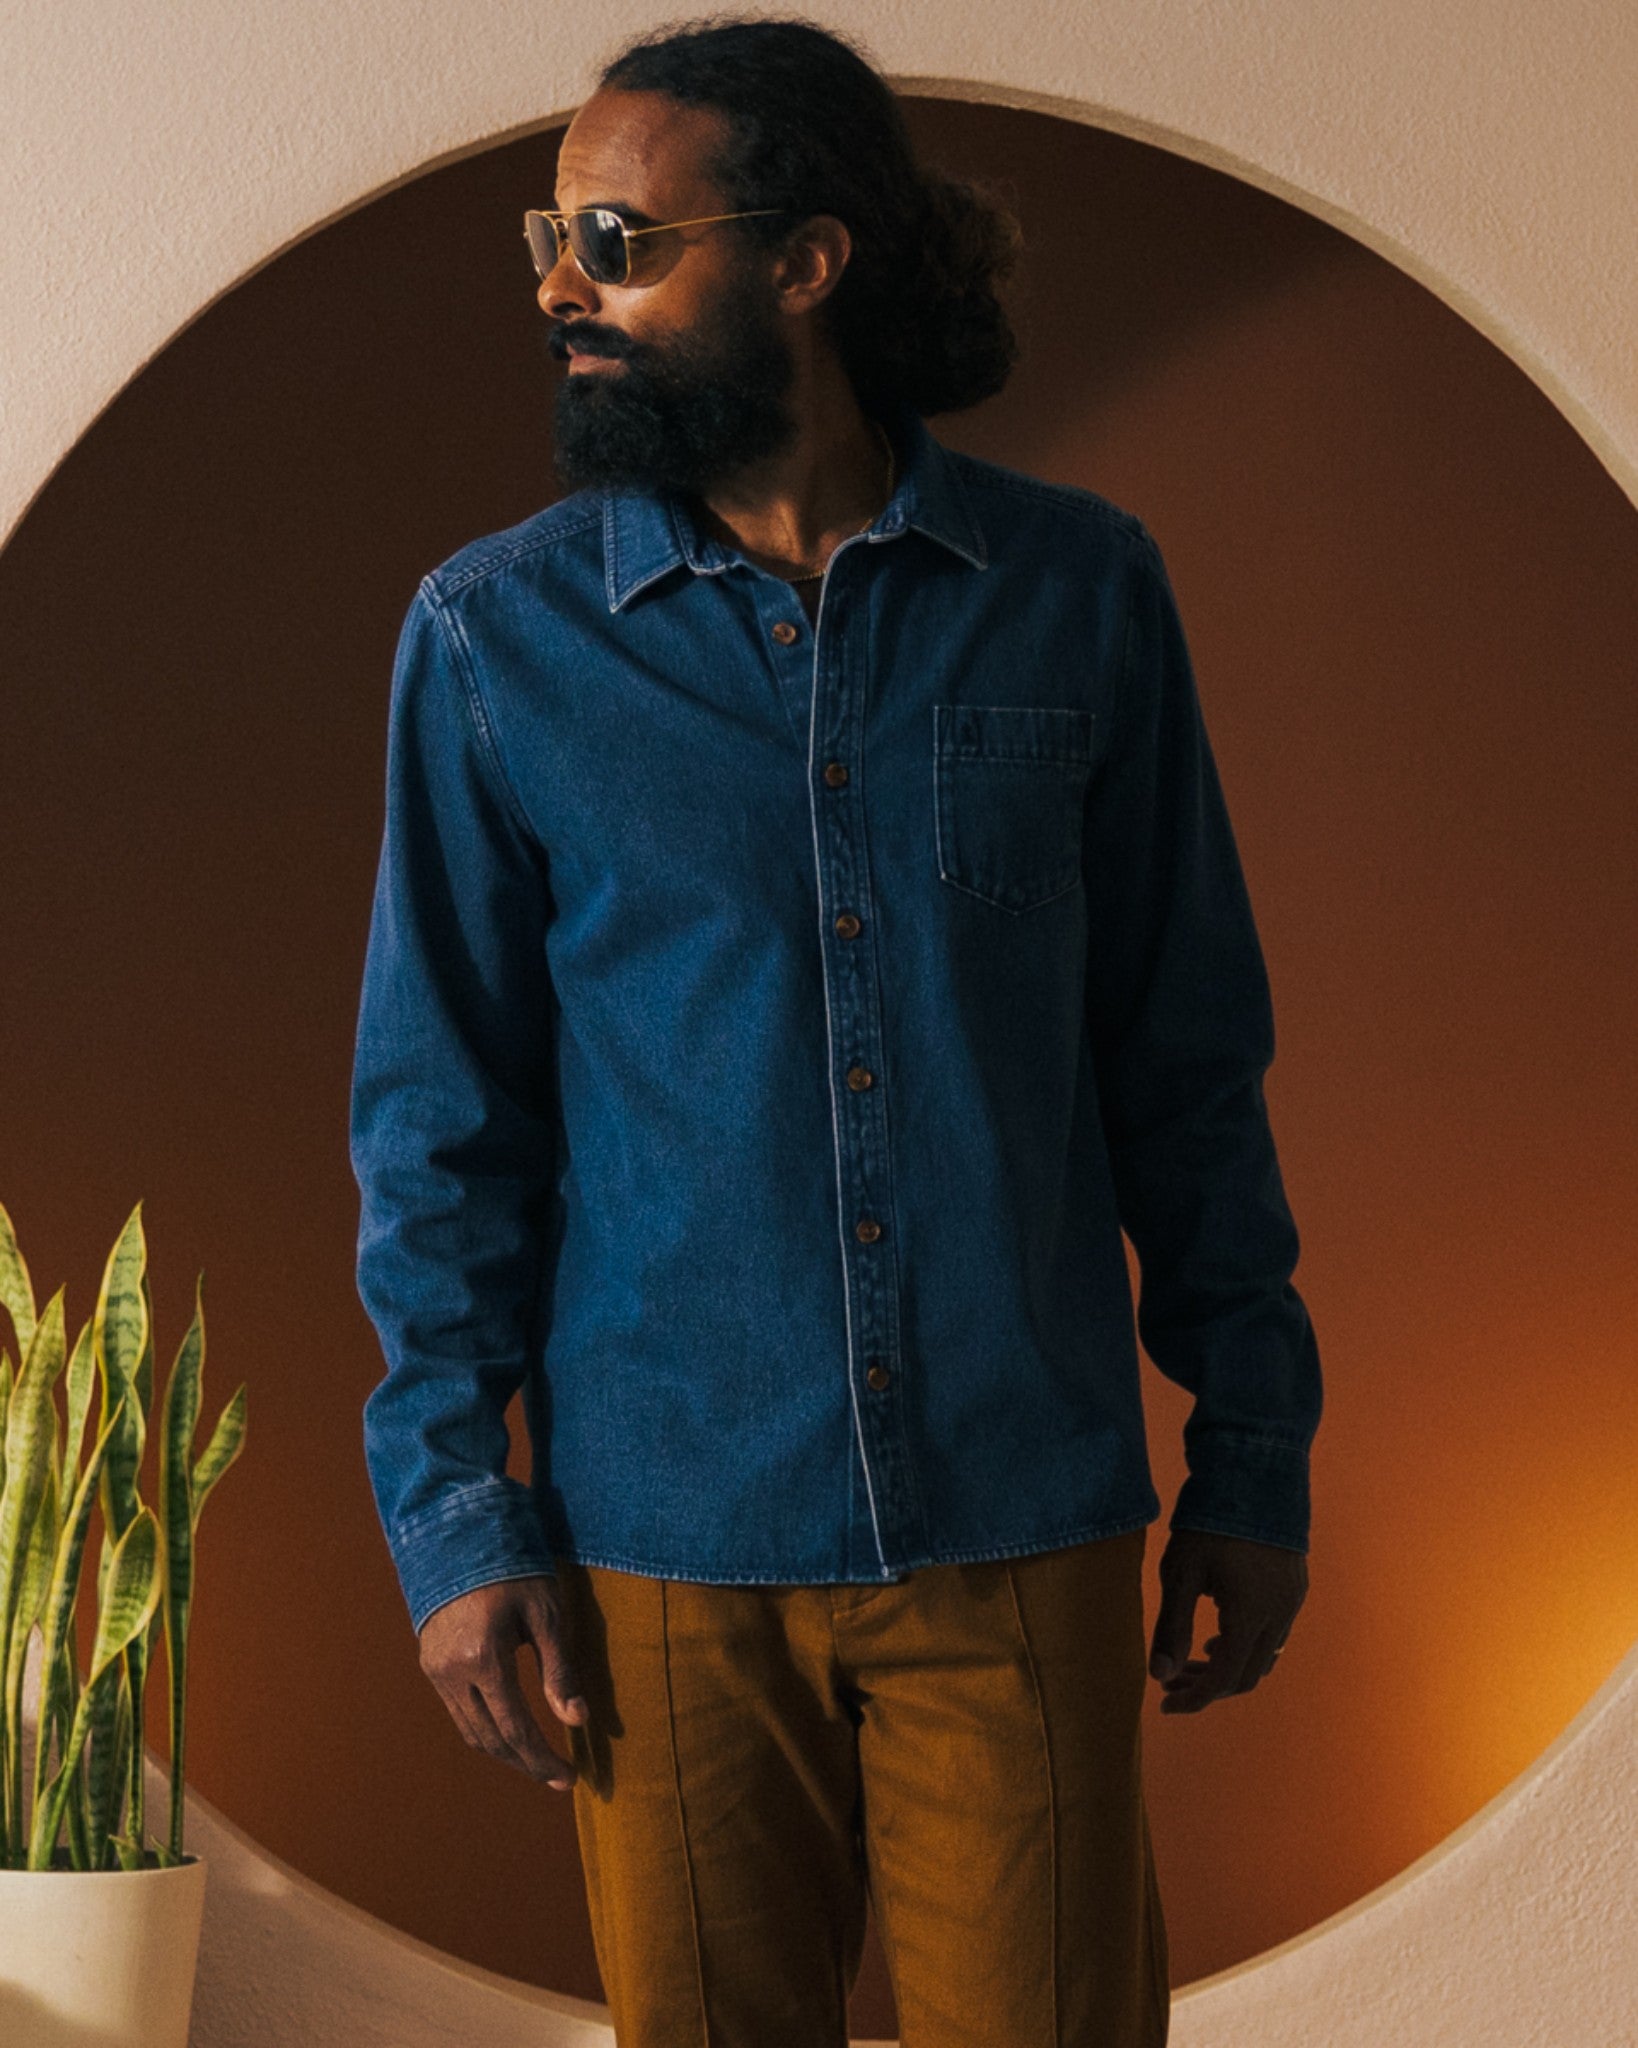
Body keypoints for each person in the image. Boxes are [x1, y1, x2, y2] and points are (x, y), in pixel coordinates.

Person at [348, 15, 1322, 2046]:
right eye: (550, 235)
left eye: (613, 239)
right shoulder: (491, 641)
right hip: (666, 1562)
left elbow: (1185, 1060)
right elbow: (442, 1128)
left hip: (1018, 1528)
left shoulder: (1080, 595)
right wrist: (456, 1515)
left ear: (804, 263)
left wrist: (1254, 1444)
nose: (557, 286)